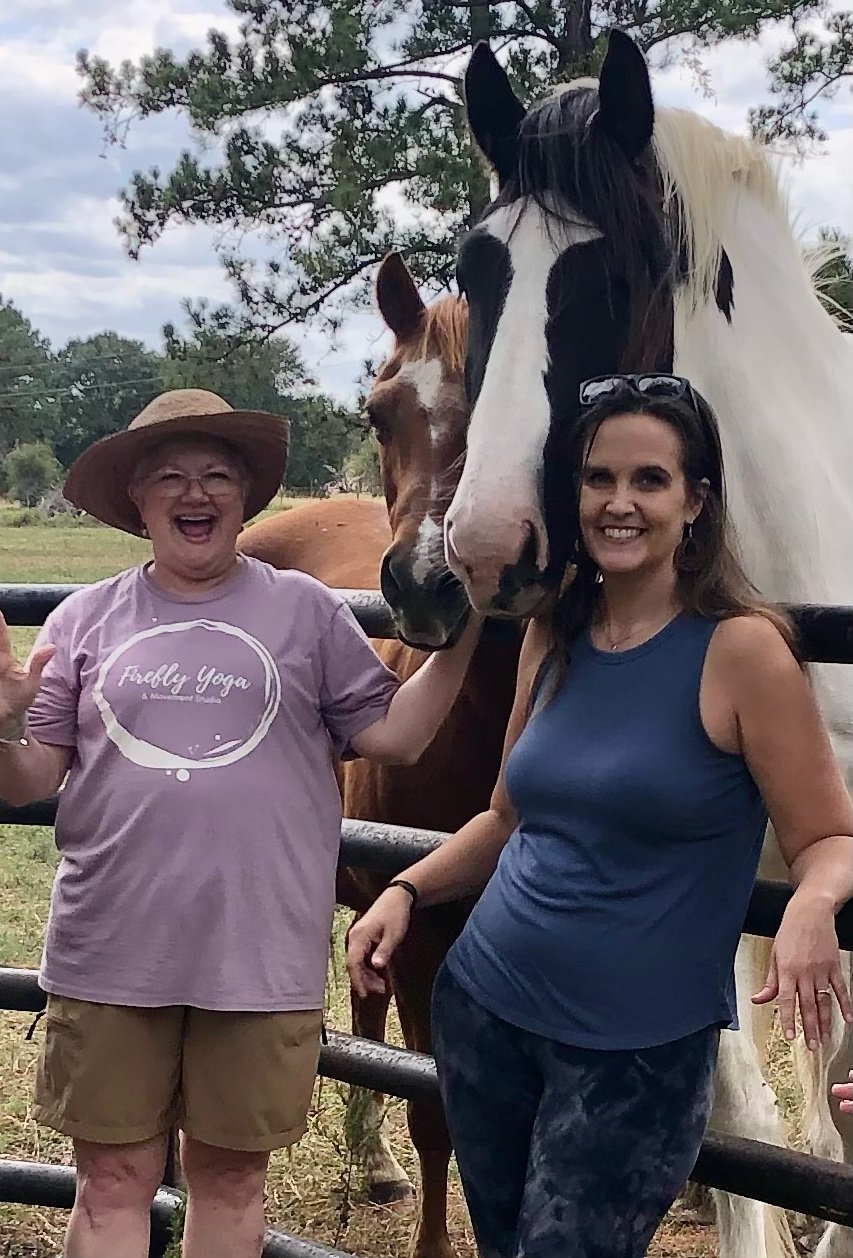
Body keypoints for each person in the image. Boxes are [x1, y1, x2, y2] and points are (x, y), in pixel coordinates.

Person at [0, 389, 481, 1258]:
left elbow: (397, 738)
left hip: (257, 956)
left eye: (216, 475)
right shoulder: (85, 619)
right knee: (111, 1182)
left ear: (244, 497)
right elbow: (26, 782)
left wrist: (465, 631)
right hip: (110, 950)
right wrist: (5, 724)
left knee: (230, 1182)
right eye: (169, 477)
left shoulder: (306, 612)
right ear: (137, 500)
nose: (194, 493)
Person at [346, 373, 853, 1258]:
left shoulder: (742, 652)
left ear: (695, 502)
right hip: (486, 1011)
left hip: (635, 1054)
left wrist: (810, 903)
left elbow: (828, 837)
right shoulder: (553, 634)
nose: (619, 503)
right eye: (597, 479)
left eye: (648, 480)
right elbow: (506, 816)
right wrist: (406, 889)